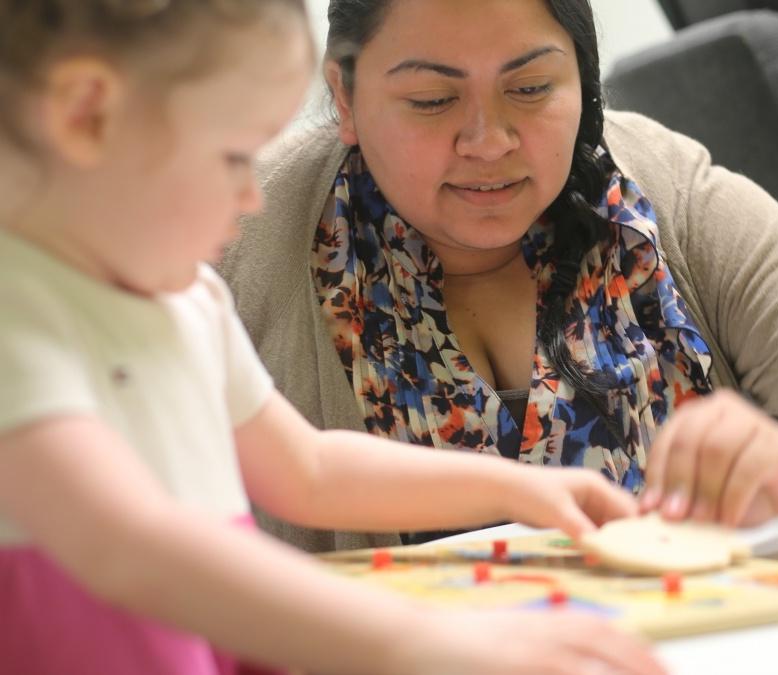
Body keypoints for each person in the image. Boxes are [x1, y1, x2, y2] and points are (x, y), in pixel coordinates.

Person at [0, 2, 667, 674]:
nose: (250, 195)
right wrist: (427, 643)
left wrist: (517, 489)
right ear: (87, 114)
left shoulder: (186, 304)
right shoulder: (16, 320)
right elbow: (131, 548)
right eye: (233, 155)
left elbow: (309, 469)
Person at [219, 0, 778, 553]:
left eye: (532, 88)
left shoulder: (651, 178)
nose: (490, 141)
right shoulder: (234, 232)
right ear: (345, 98)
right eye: (432, 100)